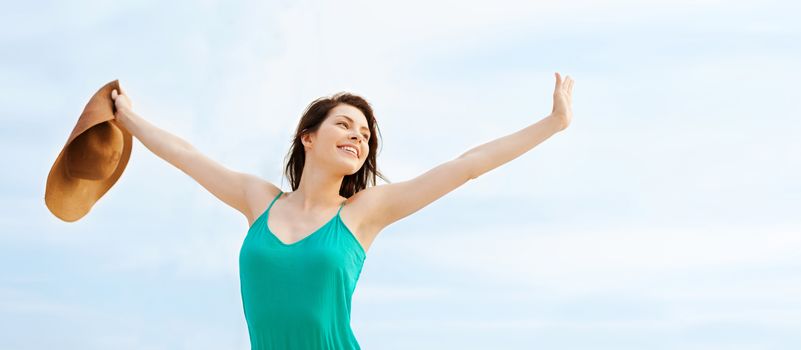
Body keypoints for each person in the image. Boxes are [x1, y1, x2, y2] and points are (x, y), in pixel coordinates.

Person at [110, 72, 574, 349]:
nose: (358, 137)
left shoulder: (363, 212)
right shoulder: (259, 200)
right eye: (345, 125)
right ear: (308, 137)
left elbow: (466, 166)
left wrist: (552, 124)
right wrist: (128, 118)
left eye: (366, 135)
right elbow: (187, 156)